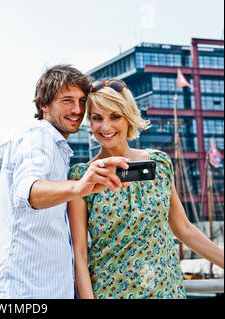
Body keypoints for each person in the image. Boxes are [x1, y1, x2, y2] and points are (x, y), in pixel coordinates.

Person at [68, 79, 224, 299]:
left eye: (115, 116)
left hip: (166, 289)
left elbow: (184, 229)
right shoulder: (81, 176)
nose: (105, 127)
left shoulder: (159, 163)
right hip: (111, 292)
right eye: (96, 118)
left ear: (129, 116)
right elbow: (80, 254)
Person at [0, 65, 130, 299]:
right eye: (67, 100)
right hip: (25, 292)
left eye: (82, 101)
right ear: (44, 104)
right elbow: (27, 191)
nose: (77, 109)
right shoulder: (38, 136)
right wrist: (78, 187)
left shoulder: (58, 148)